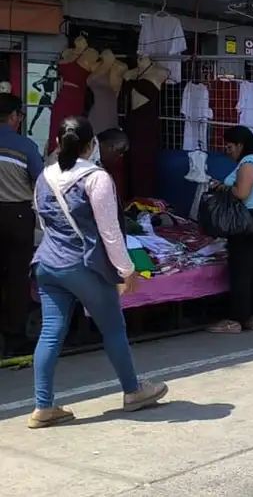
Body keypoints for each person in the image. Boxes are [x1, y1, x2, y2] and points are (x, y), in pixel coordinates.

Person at [30, 116, 167, 428]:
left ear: (56, 144)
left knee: (51, 332)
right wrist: (127, 270)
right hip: (84, 266)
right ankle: (133, 391)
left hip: (47, 263)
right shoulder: (96, 178)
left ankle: (43, 406)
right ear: (91, 145)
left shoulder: (44, 176)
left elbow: (43, 224)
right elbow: (110, 233)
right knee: (113, 329)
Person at [207, 126, 253, 334]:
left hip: (245, 221)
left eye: (230, 147)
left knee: (239, 271)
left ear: (240, 145)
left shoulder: (248, 162)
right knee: (250, 267)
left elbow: (241, 192)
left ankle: (236, 319)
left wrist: (222, 187)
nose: (228, 152)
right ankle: (250, 316)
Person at [0, 93, 45, 358]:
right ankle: (14, 336)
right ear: (15, 116)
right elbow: (40, 181)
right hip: (17, 216)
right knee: (17, 277)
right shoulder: (24, 146)